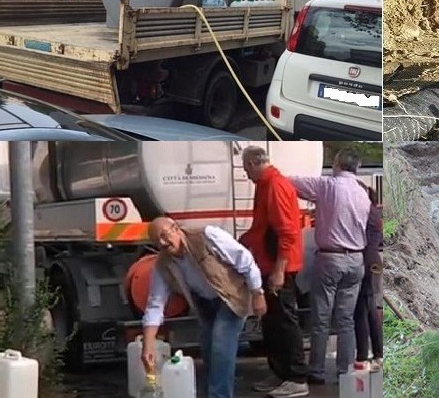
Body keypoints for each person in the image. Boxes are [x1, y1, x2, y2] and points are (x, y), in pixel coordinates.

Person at [141, 217, 267, 398]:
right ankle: (217, 390)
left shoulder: (206, 235)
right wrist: (148, 345)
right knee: (209, 351)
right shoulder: (162, 265)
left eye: (164, 235)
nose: (162, 243)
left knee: (221, 345)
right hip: (205, 304)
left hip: (231, 296)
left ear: (176, 229)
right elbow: (155, 304)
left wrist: (257, 293)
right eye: (156, 241)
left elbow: (244, 259)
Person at [289, 149, 370, 384]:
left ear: (336, 165)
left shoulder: (327, 186)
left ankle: (316, 371)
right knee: (346, 320)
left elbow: (291, 183)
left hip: (330, 259)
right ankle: (345, 372)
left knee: (321, 319)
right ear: (357, 167)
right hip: (356, 261)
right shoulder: (363, 193)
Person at [239, 146, 309, 398]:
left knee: (284, 322)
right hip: (268, 264)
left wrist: (279, 271)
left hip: (279, 266)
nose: (245, 173)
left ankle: (297, 377)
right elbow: (263, 228)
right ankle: (280, 373)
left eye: (245, 167)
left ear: (252, 163)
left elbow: (287, 232)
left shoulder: (275, 186)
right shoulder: (266, 185)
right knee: (272, 323)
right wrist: (243, 241)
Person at [353, 185, 383, 368]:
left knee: (361, 310)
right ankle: (378, 353)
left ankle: (363, 355)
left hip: (364, 260)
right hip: (374, 261)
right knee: (371, 307)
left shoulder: (364, 212)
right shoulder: (374, 212)